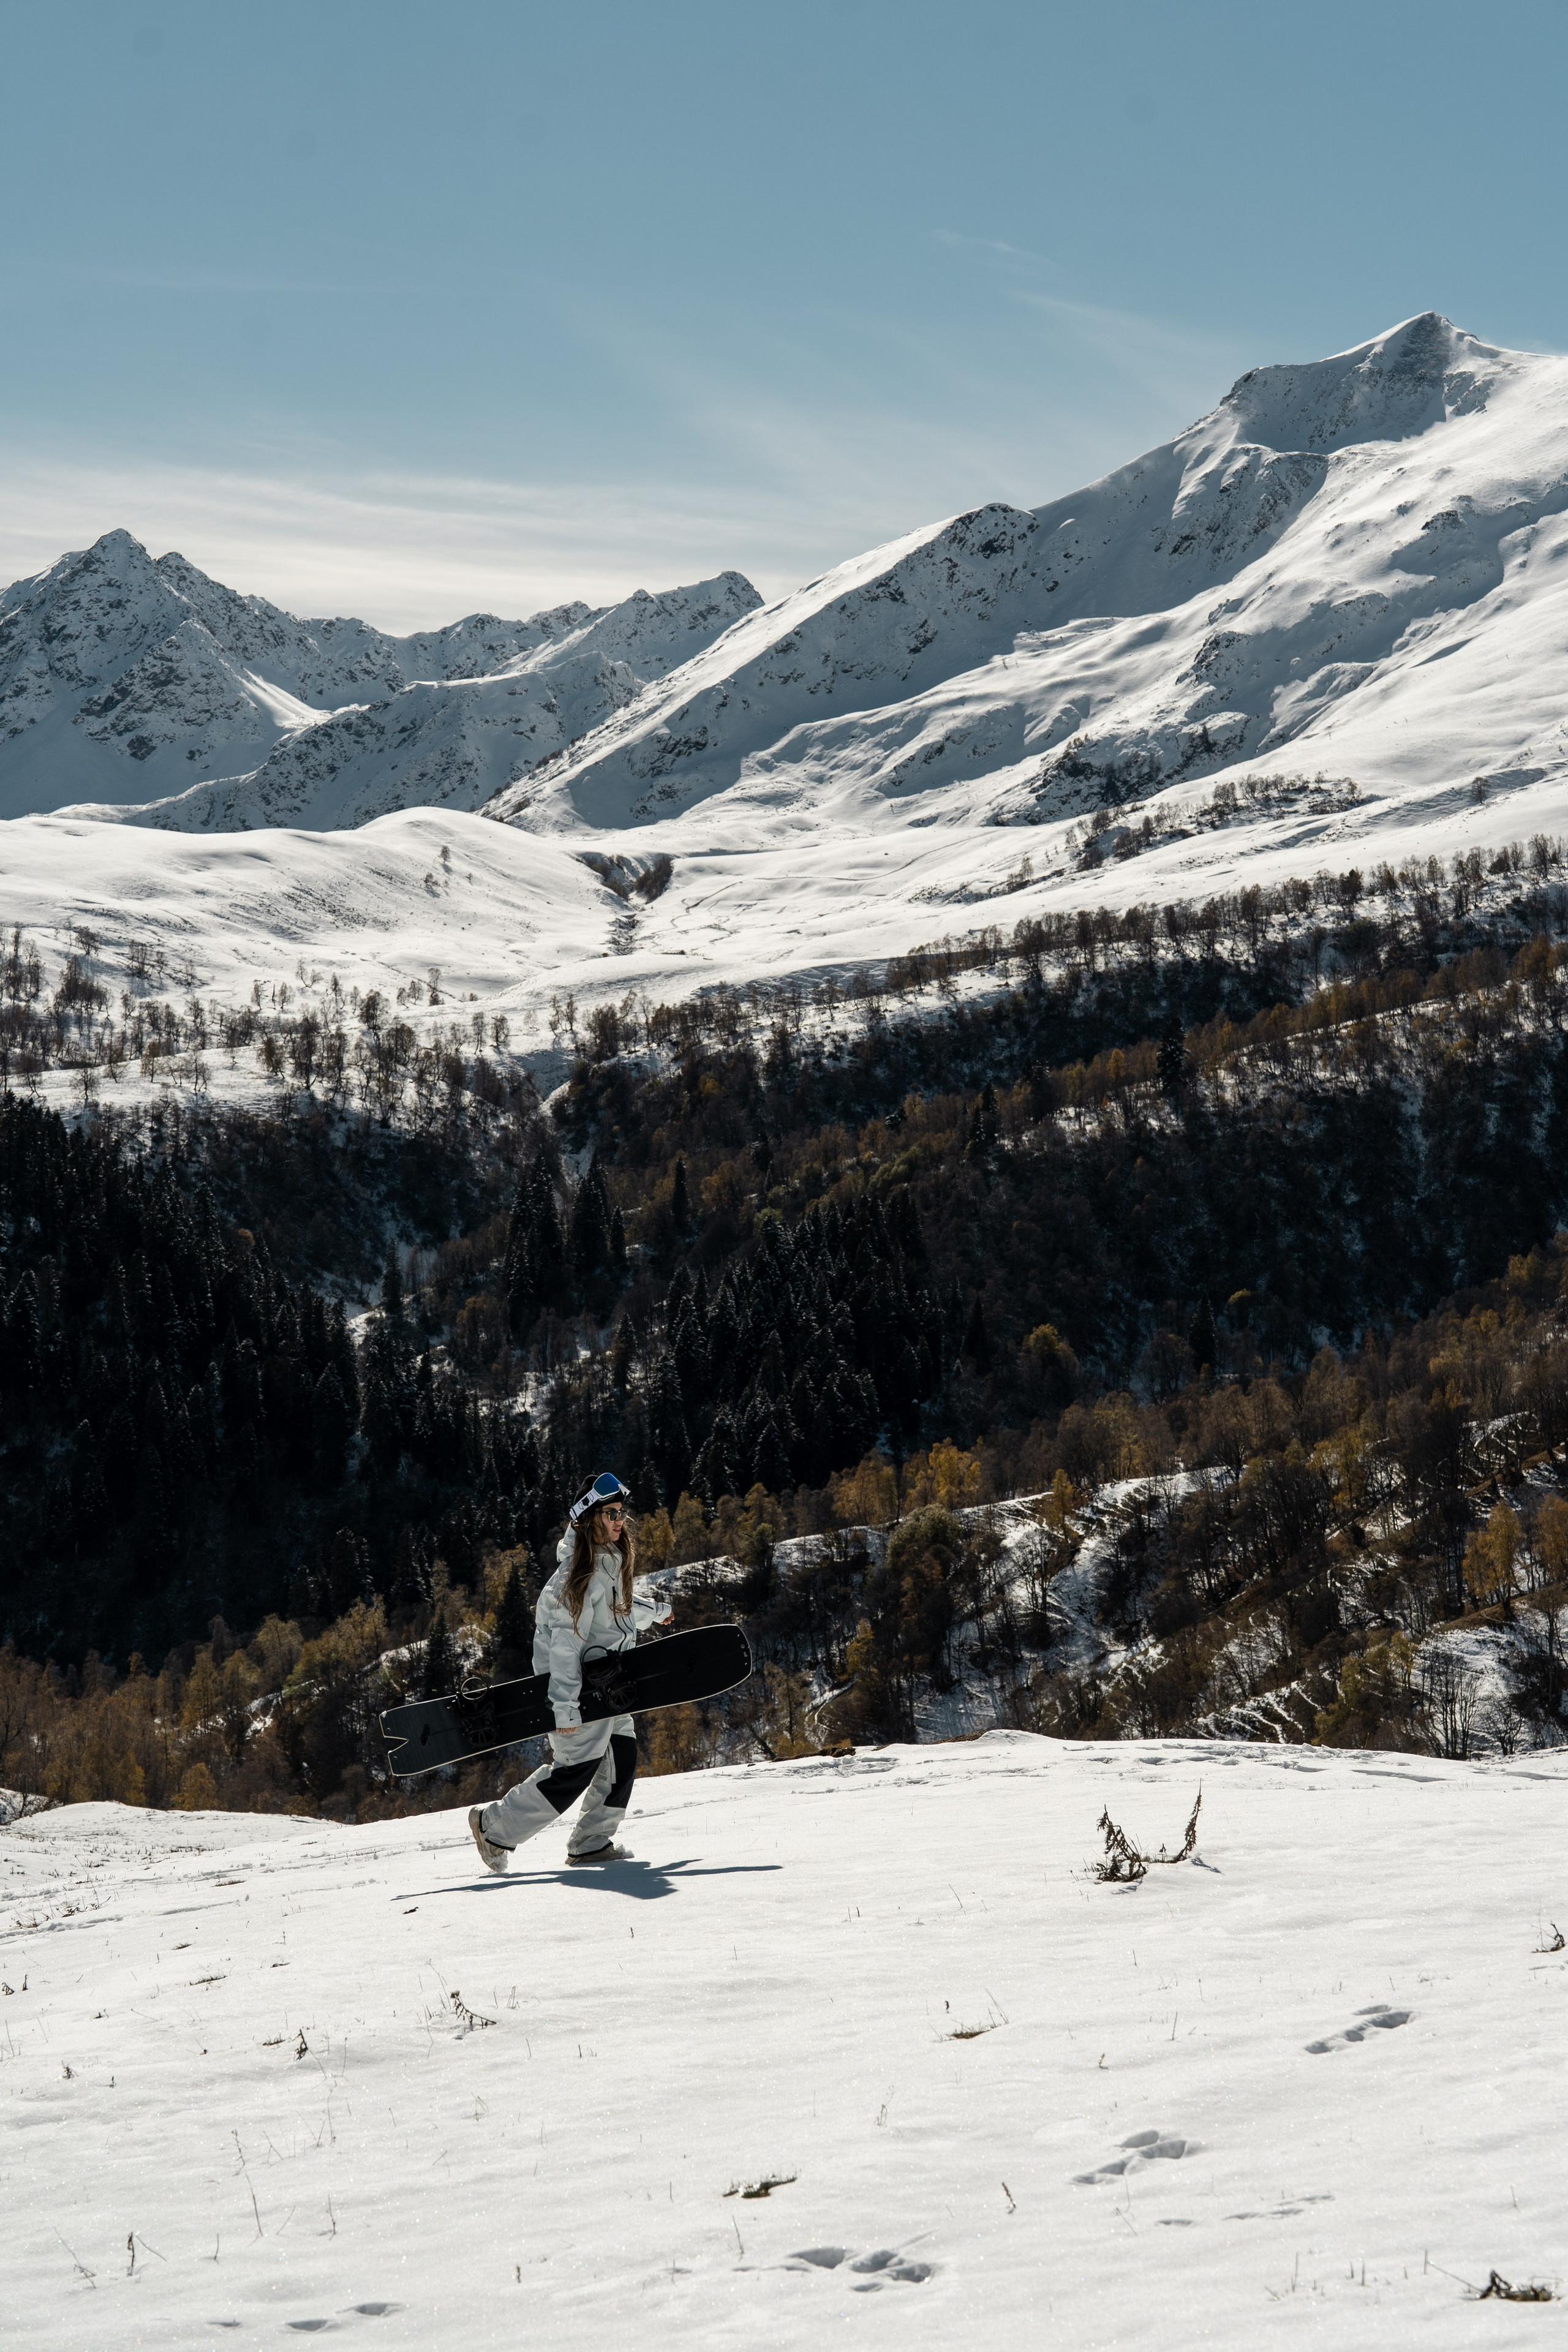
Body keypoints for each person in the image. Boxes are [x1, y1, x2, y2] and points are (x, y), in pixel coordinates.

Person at [469, 1472, 672, 1871]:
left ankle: (591, 1844)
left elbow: (621, 1610)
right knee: (575, 1771)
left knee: (622, 1756)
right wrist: (564, 1708)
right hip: (577, 1694)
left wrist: (658, 1612)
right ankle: (492, 1828)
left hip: (608, 1688)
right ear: (590, 1518)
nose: (620, 1520)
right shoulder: (573, 1579)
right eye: (611, 1513)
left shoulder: (608, 1565)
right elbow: (562, 1649)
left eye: (622, 1513)